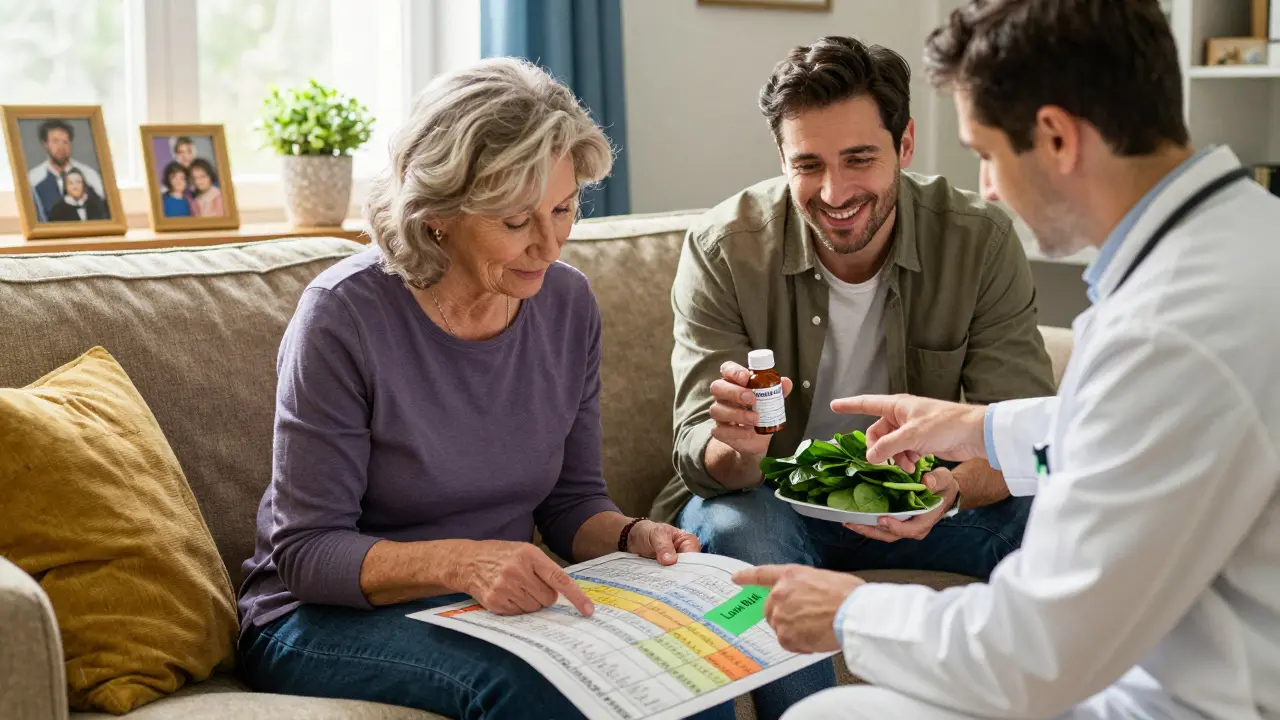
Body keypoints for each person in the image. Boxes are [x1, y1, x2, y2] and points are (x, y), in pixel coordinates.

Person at [734, 2, 1280, 719]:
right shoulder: (1248, 237)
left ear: (1055, 137)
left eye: (987, 153)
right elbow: (1157, 430)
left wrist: (851, 612)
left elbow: (1033, 659)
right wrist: (983, 428)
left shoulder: (1163, 328)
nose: (986, 187)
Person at [236, 57, 734, 720]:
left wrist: (630, 535)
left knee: (686, 664)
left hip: (483, 606)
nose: (549, 245)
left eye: (563, 209)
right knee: (529, 687)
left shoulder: (569, 304)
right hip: (315, 619)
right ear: (439, 212)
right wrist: (462, 565)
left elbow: (571, 503)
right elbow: (306, 553)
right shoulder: (343, 315)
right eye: (516, 221)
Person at [654, 35, 1056, 719]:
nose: (835, 193)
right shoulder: (724, 248)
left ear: (904, 146)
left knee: (1066, 520)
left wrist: (951, 486)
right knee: (732, 533)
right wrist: (737, 447)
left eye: (859, 159)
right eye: (807, 164)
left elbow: (1018, 437)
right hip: (770, 501)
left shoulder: (979, 238)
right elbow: (704, 458)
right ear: (782, 159)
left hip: (925, 497)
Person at [28, 119, 106, 223]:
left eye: (65, 142)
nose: (61, 147)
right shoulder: (33, 179)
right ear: (45, 144)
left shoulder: (89, 175)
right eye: (55, 141)